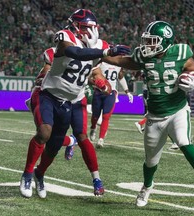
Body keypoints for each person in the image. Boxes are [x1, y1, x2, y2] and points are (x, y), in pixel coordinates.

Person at [19, 8, 130, 199]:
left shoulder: (99, 45)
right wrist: (104, 51)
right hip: (49, 94)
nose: (88, 31)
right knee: (44, 132)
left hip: (70, 100)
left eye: (91, 28)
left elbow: (115, 61)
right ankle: (27, 174)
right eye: (85, 27)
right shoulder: (65, 36)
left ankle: (39, 174)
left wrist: (143, 61)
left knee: (53, 146)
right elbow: (74, 51)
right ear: (76, 26)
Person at [102, 21, 194, 207]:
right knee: (150, 161)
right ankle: (147, 186)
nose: (148, 45)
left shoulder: (180, 53)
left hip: (177, 109)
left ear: (165, 41)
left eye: (152, 41)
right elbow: (124, 61)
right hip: (154, 115)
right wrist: (101, 56)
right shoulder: (144, 56)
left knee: (184, 141)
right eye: (147, 41)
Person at [25, 47, 77, 161]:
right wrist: (42, 78)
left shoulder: (76, 54)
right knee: (44, 132)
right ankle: (71, 141)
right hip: (44, 95)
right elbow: (44, 73)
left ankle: (71, 141)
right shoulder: (53, 53)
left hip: (61, 97)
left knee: (48, 134)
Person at [89, 61, 134, 148]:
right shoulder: (100, 63)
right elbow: (88, 77)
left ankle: (101, 139)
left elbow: (120, 77)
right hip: (98, 92)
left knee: (106, 116)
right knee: (95, 115)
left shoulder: (118, 64)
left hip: (111, 92)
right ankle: (93, 128)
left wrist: (127, 92)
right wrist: (96, 84)